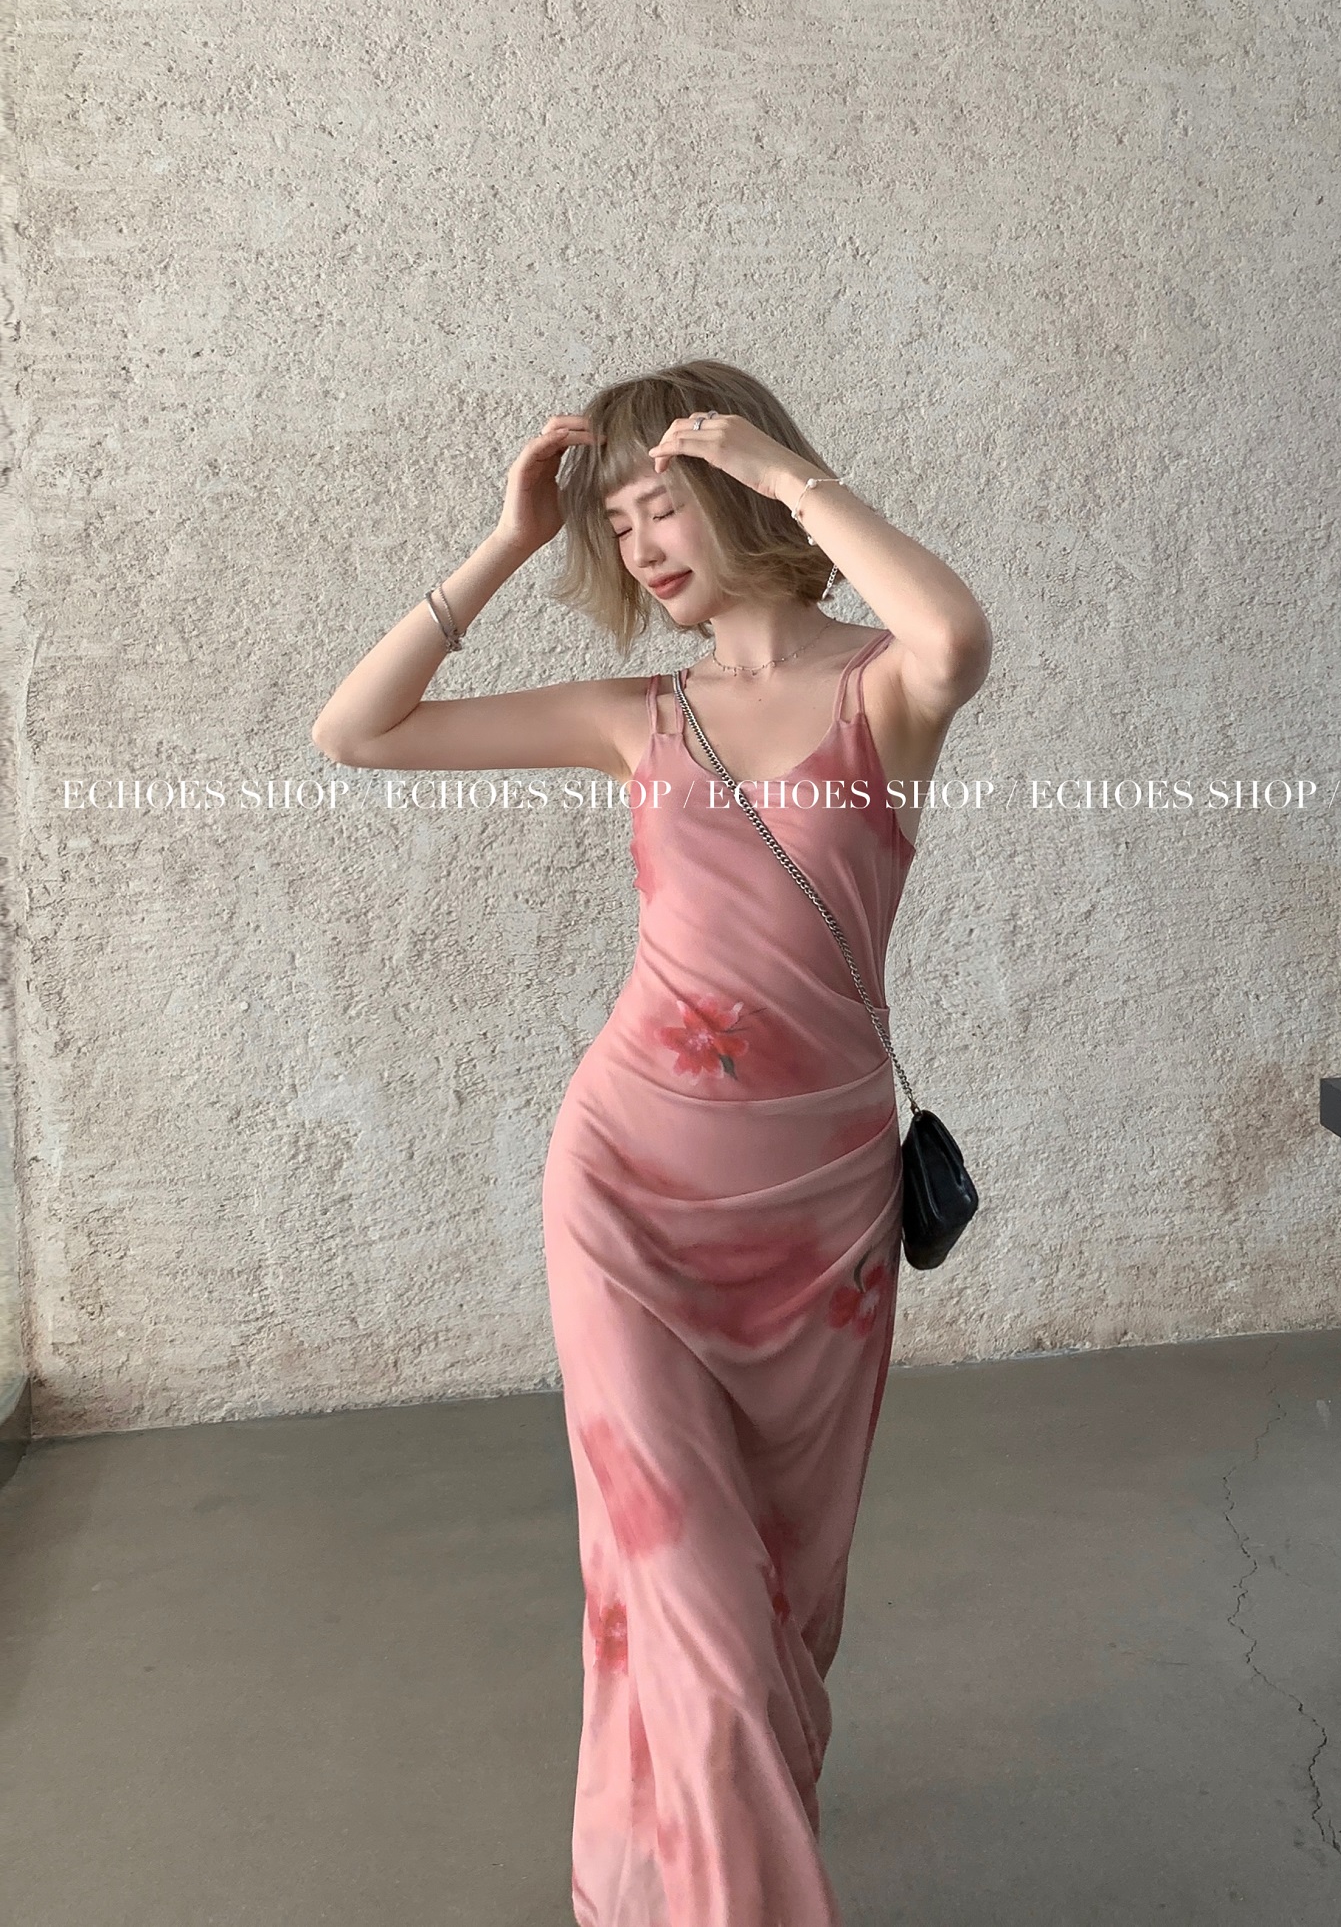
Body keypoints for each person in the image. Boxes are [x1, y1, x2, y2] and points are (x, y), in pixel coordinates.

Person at [310, 357, 994, 1925]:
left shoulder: (886, 687)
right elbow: (357, 730)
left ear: (739, 485)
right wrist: (506, 539)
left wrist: (791, 470)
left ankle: (699, 1846)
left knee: (781, 1599)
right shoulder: (643, 716)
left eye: (657, 504)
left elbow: (959, 633)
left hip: (819, 1219)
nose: (636, 546)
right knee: (686, 1591)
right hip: (628, 1193)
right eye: (611, 525)